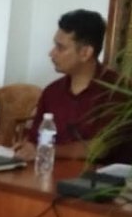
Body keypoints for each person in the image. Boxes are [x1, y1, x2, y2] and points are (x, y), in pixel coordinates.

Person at [15, 9, 121, 162]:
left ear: (85, 52)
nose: (51, 53)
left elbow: (100, 148)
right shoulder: (52, 92)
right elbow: (34, 140)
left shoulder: (116, 91)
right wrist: (26, 148)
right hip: (46, 176)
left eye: (60, 47)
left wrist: (48, 151)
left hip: (97, 181)